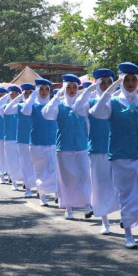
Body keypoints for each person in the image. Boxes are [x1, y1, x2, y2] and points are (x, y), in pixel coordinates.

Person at [90, 62, 138, 249]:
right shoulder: (112, 103)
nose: (130, 83)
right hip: (120, 155)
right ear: (121, 81)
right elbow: (96, 112)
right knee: (126, 195)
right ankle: (129, 235)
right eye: (126, 79)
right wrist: (112, 88)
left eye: (133, 79)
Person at [73, 68, 120, 234]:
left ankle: (125, 216)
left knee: (120, 185)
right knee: (99, 186)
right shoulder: (91, 103)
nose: (106, 86)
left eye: (109, 82)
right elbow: (76, 108)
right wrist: (89, 89)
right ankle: (105, 221)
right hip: (97, 150)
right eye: (102, 83)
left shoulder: (118, 101)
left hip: (119, 149)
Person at [42, 74, 93, 219]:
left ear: (78, 89)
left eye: (74, 87)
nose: (71, 90)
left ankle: (87, 205)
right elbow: (46, 114)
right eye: (68, 87)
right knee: (66, 180)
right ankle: (68, 208)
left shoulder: (83, 104)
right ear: (64, 88)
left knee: (84, 176)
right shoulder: (59, 105)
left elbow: (88, 124)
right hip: (63, 147)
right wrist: (56, 97)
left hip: (82, 146)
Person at [21, 78, 58, 206]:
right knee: (40, 170)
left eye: (46, 89)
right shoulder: (33, 106)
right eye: (41, 89)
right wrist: (33, 95)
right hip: (36, 143)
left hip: (53, 142)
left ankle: (57, 193)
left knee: (54, 169)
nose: (43, 92)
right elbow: (24, 110)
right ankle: (42, 195)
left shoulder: (53, 104)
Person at [4, 83, 36, 198]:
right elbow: (7, 110)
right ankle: (27, 188)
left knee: (35, 165)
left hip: (35, 139)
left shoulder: (37, 105)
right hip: (22, 139)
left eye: (30, 93)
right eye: (25, 93)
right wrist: (18, 97)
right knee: (25, 165)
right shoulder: (19, 105)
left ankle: (37, 187)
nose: (27, 95)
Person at [0, 85, 24, 191]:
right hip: (8, 138)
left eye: (16, 93)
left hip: (21, 138)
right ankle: (10, 179)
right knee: (9, 160)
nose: (14, 94)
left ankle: (24, 180)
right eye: (11, 93)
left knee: (21, 161)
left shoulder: (22, 106)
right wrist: (4, 96)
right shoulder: (5, 107)